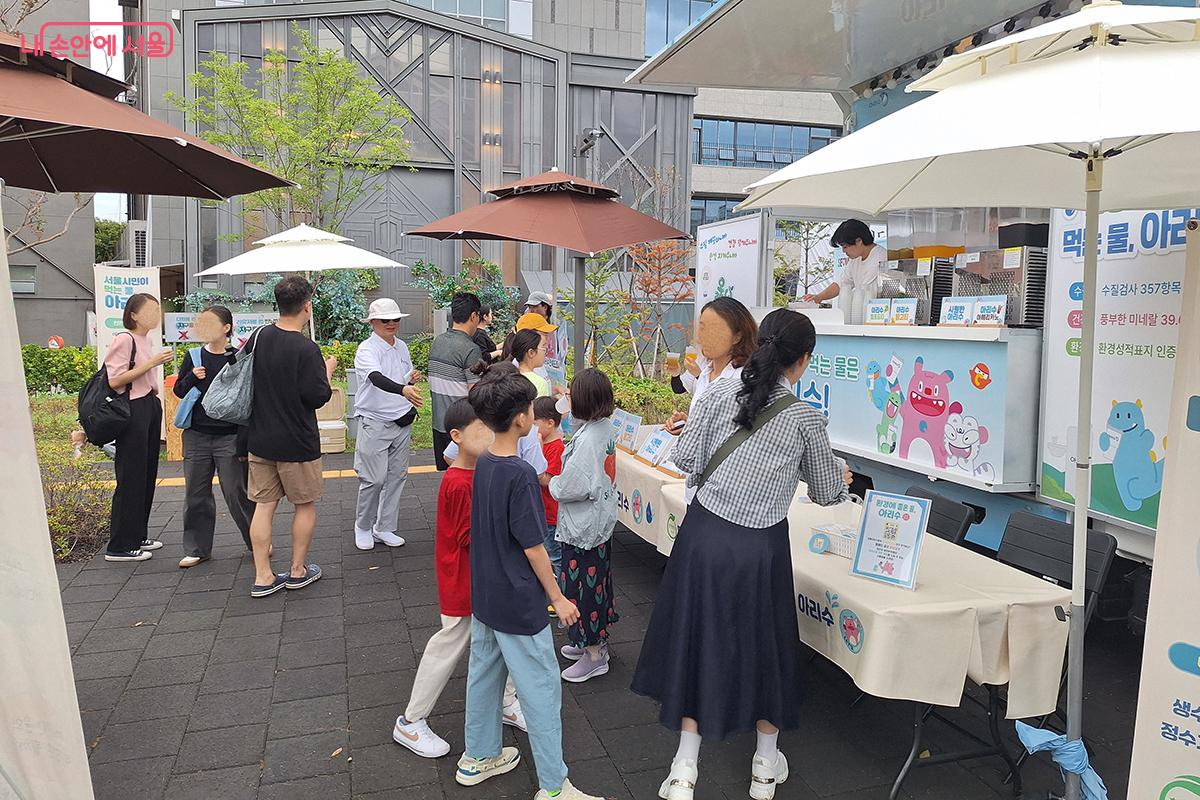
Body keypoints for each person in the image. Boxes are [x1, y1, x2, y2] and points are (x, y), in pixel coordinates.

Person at [631, 309, 850, 800]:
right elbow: (827, 492)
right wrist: (838, 475)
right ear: (804, 360)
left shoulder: (716, 396)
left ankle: (684, 769)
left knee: (695, 639)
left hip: (704, 537)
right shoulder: (805, 417)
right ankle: (765, 767)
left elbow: (685, 459)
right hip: (761, 547)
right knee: (766, 649)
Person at [455, 363, 600, 800]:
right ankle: (555, 786)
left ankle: (477, 757)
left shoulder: (484, 464)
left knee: (484, 675)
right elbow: (535, 546)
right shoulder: (519, 472)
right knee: (541, 690)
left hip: (487, 595)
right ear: (521, 419)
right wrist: (558, 597)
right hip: (519, 600)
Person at [393, 398, 526, 758]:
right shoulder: (459, 482)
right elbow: (471, 536)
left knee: (505, 638)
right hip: (464, 580)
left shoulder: (476, 472)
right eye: (481, 428)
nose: (491, 434)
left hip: (481, 578)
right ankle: (411, 720)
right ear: (456, 435)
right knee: (450, 640)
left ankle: (506, 701)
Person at [246, 275, 336, 598]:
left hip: (260, 439)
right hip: (297, 442)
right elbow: (316, 397)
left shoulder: (257, 338)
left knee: (263, 507)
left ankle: (262, 576)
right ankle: (297, 571)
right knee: (304, 505)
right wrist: (327, 370)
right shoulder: (306, 348)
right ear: (307, 306)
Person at [549, 369, 619, 684]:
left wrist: (550, 483)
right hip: (599, 523)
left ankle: (593, 653)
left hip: (583, 529)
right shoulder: (603, 427)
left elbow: (570, 487)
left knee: (581, 590)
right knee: (597, 586)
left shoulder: (588, 439)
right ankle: (592, 643)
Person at [173, 305, 255, 567]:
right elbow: (178, 390)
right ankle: (197, 549)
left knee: (235, 492)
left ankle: (257, 541)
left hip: (229, 436)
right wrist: (192, 379)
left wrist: (244, 441)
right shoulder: (194, 356)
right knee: (195, 494)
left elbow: (245, 398)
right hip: (196, 435)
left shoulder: (238, 358)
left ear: (226, 328)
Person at [103, 293, 174, 562]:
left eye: (158, 309)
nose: (156, 314)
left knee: (146, 473)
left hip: (148, 405)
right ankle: (119, 545)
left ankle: (137, 534)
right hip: (131, 409)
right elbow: (114, 380)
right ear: (133, 314)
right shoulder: (125, 339)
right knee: (131, 476)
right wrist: (151, 363)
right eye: (151, 310)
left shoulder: (147, 339)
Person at [353, 298, 423, 551]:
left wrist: (409, 379)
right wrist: (404, 388)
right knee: (374, 478)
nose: (392, 324)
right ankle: (362, 526)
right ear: (373, 322)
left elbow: (398, 377)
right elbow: (376, 378)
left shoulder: (401, 346)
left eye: (396, 319)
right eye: (386, 320)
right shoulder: (366, 349)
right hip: (376, 420)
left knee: (396, 476)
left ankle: (384, 527)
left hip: (402, 419)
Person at [664, 297, 757, 459]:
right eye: (701, 328)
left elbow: (737, 437)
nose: (702, 338)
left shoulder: (744, 380)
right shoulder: (706, 373)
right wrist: (687, 424)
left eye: (713, 330)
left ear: (738, 337)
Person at [429, 292, 483, 471]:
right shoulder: (470, 349)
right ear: (474, 316)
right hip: (462, 427)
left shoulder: (438, 341)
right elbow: (475, 393)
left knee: (449, 477)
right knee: (465, 477)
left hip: (439, 424)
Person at [802, 218, 884, 304]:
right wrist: (819, 297)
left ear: (859, 241)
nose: (843, 251)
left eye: (845, 247)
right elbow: (842, 283)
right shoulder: (855, 259)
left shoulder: (880, 258)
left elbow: (863, 291)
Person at [533, 396, 565, 607]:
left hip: (551, 514)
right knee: (546, 553)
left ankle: (562, 596)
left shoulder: (556, 447)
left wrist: (534, 452)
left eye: (535, 423)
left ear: (550, 423)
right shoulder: (545, 442)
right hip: (542, 511)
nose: (531, 428)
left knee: (555, 556)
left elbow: (547, 479)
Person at [505, 328, 550, 397]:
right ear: (531, 353)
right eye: (544, 348)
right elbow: (541, 407)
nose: (545, 353)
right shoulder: (539, 383)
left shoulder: (508, 378)